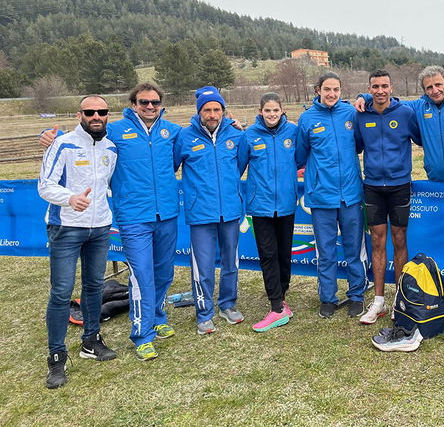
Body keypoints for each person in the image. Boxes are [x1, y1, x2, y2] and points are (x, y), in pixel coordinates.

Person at [40, 82, 182, 361]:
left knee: (164, 273)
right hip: (133, 217)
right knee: (141, 276)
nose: (149, 107)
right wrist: (46, 137)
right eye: (143, 102)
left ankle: (157, 316)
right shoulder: (114, 131)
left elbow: (187, 151)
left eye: (154, 102)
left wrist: (236, 127)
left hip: (166, 214)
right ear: (133, 105)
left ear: (161, 105)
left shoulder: (172, 132)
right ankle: (142, 335)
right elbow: (81, 136)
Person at [38, 95, 118, 388]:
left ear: (108, 114)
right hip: (66, 227)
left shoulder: (111, 146)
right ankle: (56, 357)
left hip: (99, 228)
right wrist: (69, 198)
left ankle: (91, 340)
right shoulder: (62, 144)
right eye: (90, 111)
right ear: (79, 114)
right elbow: (45, 185)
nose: (96, 115)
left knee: (94, 286)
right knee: (61, 292)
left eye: (102, 111)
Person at [174, 86, 246, 335]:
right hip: (200, 213)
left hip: (230, 212)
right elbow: (172, 165)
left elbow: (241, 164)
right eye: (207, 110)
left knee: (231, 262)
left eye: (217, 109)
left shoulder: (236, 135)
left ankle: (228, 304)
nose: (212, 114)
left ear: (223, 111)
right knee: (202, 266)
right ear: (199, 112)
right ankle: (204, 313)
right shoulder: (184, 137)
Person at [295, 72, 367, 318]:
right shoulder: (307, 119)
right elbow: (301, 154)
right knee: (325, 252)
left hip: (350, 195)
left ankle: (357, 295)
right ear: (318, 90)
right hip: (321, 197)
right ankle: (328, 298)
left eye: (336, 89)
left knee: (353, 250)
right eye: (327, 89)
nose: (332, 94)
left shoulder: (351, 114)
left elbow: (358, 145)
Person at [353, 70, 421, 324]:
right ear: (369, 89)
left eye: (384, 86)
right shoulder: (362, 115)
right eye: (374, 87)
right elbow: (357, 146)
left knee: (399, 240)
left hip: (399, 185)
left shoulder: (405, 113)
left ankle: (401, 301)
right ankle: (379, 301)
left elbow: (421, 138)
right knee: (378, 243)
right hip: (372, 187)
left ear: (391, 87)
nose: (380, 91)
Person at [239, 92, 298, 332]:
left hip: (286, 205)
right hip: (260, 206)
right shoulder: (249, 135)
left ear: (282, 111)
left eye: (276, 110)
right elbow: (239, 166)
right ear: (260, 111)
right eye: (267, 110)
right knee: (268, 255)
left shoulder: (292, 132)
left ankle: (281, 296)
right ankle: (276, 306)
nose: (272, 114)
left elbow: (302, 158)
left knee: (284, 254)